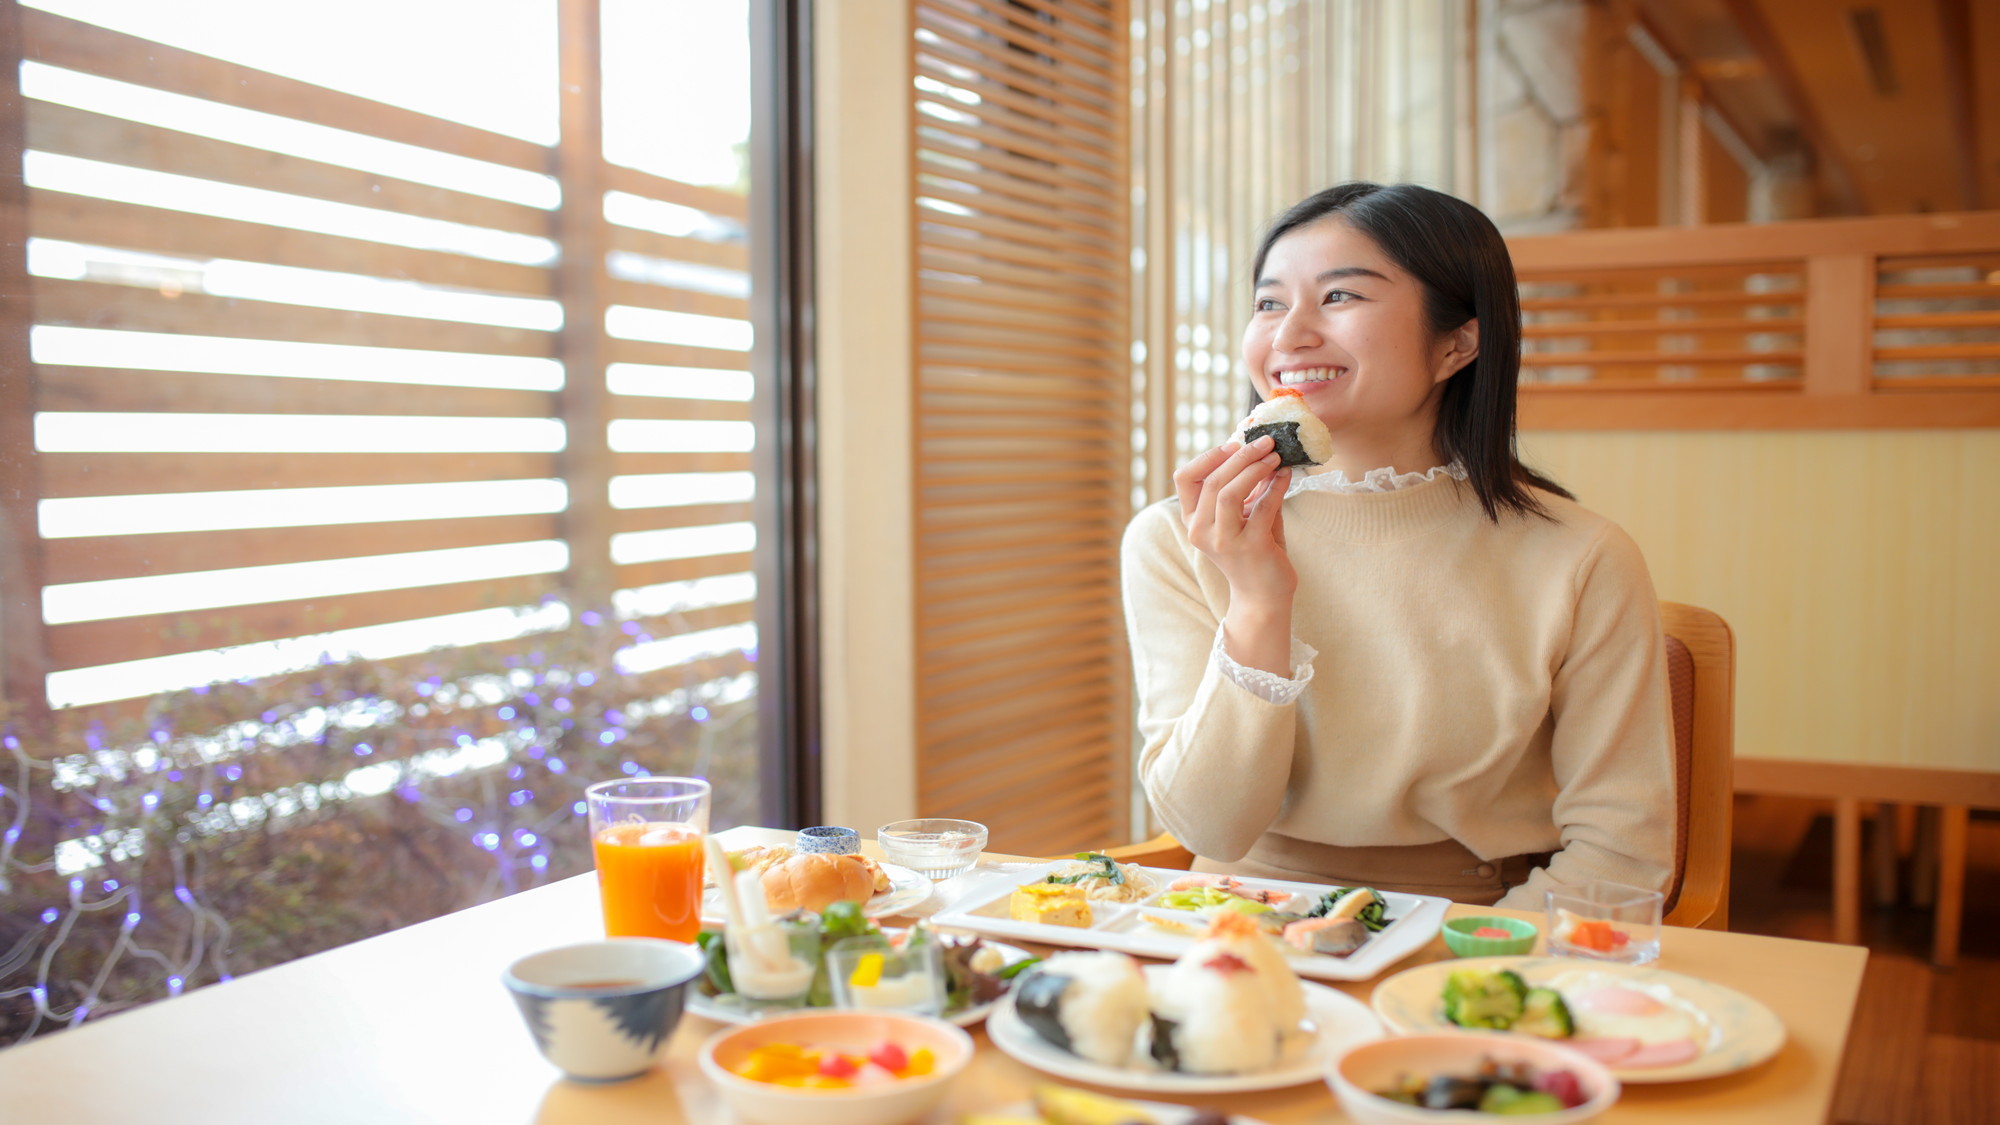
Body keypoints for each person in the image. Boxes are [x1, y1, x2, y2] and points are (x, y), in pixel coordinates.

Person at [1120, 182, 1674, 909]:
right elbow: (1208, 827)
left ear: (1456, 344)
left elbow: (1622, 850)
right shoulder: (1178, 538)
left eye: (1341, 296)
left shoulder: (1581, 556)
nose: (1288, 336)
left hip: (1475, 925)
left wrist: (1463, 965)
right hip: (1238, 922)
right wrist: (1258, 601)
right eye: (1269, 302)